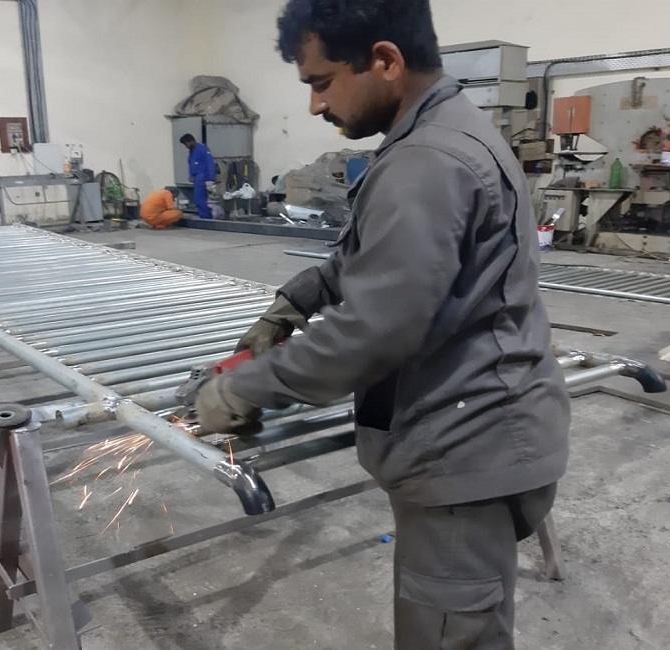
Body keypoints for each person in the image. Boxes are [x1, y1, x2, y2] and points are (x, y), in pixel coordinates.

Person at [194, 1, 571, 648]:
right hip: (480, 431)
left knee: (447, 636)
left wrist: (240, 388)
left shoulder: (426, 161)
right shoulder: (446, 130)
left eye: (322, 81)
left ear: (386, 60)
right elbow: (375, 257)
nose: (315, 104)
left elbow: (372, 331)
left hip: (465, 448)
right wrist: (296, 301)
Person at [179, 133, 216, 219]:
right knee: (198, 200)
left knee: (200, 200)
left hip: (202, 178)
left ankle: (206, 218)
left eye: (186, 144)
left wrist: (211, 178)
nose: (186, 146)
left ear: (191, 141)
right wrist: (191, 175)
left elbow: (209, 163)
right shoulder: (192, 152)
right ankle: (204, 215)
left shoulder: (202, 149)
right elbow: (191, 164)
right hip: (196, 178)